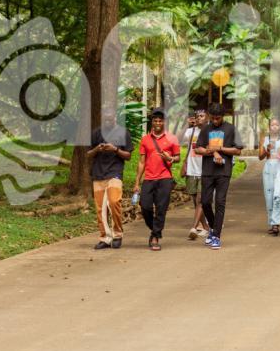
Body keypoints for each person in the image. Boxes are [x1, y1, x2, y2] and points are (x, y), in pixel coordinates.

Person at [195, 103, 243, 250]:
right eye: (213, 118)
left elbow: (238, 150)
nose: (215, 121)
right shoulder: (205, 129)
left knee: (220, 202)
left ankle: (216, 236)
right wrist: (209, 152)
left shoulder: (231, 129)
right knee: (205, 201)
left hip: (223, 172)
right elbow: (198, 148)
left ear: (223, 116)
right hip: (208, 171)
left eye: (218, 118)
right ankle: (213, 228)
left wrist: (220, 148)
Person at [133, 108, 181, 251]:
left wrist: (170, 158)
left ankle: (155, 237)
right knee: (145, 206)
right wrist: (137, 182)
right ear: (152, 122)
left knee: (161, 209)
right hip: (149, 178)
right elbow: (141, 162)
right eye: (155, 121)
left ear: (164, 122)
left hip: (165, 178)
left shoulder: (172, 138)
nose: (158, 123)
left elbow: (178, 158)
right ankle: (155, 229)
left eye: (160, 121)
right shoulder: (145, 139)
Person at [88, 109, 134, 250]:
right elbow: (88, 154)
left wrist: (115, 149)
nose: (108, 121)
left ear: (115, 117)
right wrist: (98, 149)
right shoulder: (96, 133)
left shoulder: (122, 132)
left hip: (115, 173)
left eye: (110, 119)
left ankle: (118, 235)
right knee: (100, 208)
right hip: (98, 174)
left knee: (114, 202)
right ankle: (105, 238)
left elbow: (128, 155)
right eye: (105, 119)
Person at [259, 117, 280, 236]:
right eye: (272, 125)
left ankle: (276, 224)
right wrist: (267, 150)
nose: (274, 127)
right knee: (269, 196)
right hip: (268, 169)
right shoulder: (265, 139)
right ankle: (272, 222)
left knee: (277, 196)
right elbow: (260, 157)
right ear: (269, 127)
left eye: (276, 125)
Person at [181, 109, 209, 240]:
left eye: (202, 116)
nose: (199, 118)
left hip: (205, 171)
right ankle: (207, 228)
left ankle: (194, 227)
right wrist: (186, 125)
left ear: (207, 118)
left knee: (200, 200)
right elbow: (178, 139)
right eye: (197, 116)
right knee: (195, 201)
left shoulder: (210, 132)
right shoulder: (191, 131)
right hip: (192, 170)